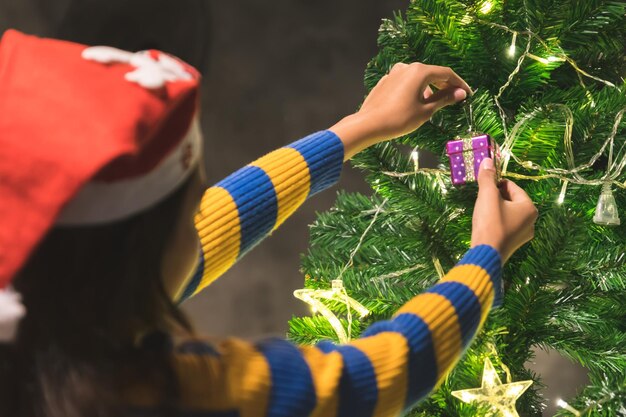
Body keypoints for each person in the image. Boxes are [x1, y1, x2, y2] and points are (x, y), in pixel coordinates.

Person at [0, 30, 538, 417]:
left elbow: (210, 231)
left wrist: (355, 130)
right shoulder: (199, 393)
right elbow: (365, 380)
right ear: (136, 263)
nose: (205, 214)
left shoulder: (46, 300)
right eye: (193, 207)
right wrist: (485, 256)